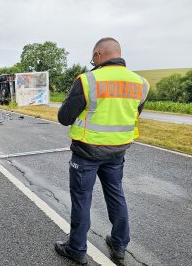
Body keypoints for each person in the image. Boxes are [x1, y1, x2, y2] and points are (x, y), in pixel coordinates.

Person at [55, 37, 150, 264]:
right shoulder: (141, 83)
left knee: (82, 198)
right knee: (116, 194)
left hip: (86, 152)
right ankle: (119, 244)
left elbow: (64, 117)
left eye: (93, 57)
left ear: (98, 55)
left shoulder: (88, 80)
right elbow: (134, 114)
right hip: (118, 151)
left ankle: (77, 249)